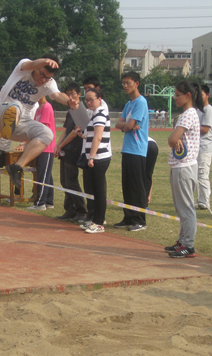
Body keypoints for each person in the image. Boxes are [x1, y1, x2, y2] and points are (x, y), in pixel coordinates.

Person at [0, 54, 77, 189]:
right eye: (42, 74)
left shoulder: (49, 83)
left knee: (47, 134)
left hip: (19, 125)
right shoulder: (24, 67)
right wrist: (45, 61)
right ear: (38, 67)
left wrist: (69, 101)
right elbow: (32, 64)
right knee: (16, 106)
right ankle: (8, 125)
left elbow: (57, 94)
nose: (42, 79)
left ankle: (16, 167)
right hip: (2, 112)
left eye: (47, 77)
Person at [165, 81, 203, 258]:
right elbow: (174, 140)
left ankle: (188, 245)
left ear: (188, 95)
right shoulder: (185, 115)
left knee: (186, 207)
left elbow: (172, 140)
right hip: (179, 165)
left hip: (185, 166)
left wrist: (174, 139)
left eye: (178, 94)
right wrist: (174, 139)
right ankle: (182, 240)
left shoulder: (189, 114)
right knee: (180, 207)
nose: (175, 98)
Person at [114, 71, 150, 231]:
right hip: (127, 149)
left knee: (137, 187)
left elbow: (127, 126)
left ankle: (140, 220)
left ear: (137, 84)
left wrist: (126, 125)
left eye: (128, 83)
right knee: (127, 186)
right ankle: (128, 217)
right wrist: (127, 125)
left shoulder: (141, 102)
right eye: (123, 83)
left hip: (137, 150)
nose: (125, 86)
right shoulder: (129, 104)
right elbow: (119, 124)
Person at [79, 88, 111, 234]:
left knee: (99, 191)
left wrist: (91, 157)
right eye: (87, 100)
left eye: (92, 99)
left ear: (99, 99)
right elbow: (92, 136)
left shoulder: (101, 113)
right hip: (93, 157)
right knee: (94, 191)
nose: (89, 102)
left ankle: (99, 222)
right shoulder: (92, 114)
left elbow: (98, 137)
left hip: (99, 157)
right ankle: (94, 220)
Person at [54, 82, 87, 222]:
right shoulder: (70, 111)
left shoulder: (80, 110)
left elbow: (75, 133)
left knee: (71, 181)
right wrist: (57, 145)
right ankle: (70, 209)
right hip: (66, 149)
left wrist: (61, 145)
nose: (70, 97)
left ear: (79, 94)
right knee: (64, 180)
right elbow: (66, 130)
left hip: (74, 149)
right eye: (67, 94)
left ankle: (81, 211)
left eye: (73, 94)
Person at [27, 96, 56, 210]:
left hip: (46, 147)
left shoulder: (47, 107)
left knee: (42, 175)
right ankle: (49, 201)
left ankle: (40, 203)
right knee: (46, 174)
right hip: (39, 147)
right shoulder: (39, 109)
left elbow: (42, 128)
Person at [196, 84, 212, 210]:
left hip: (205, 147)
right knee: (196, 175)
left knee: (203, 174)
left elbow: (205, 129)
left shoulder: (208, 110)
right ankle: (200, 200)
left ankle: (205, 201)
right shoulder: (198, 109)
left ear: (207, 95)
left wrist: (190, 127)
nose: (198, 96)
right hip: (197, 147)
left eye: (201, 94)